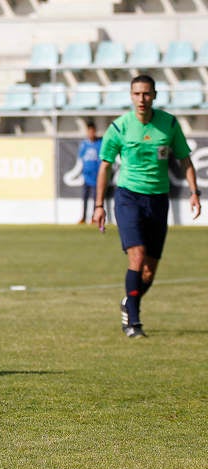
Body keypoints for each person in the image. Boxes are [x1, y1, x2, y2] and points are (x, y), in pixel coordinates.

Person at [93, 74, 201, 338]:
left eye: (147, 94)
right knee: (137, 256)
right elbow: (105, 166)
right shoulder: (119, 127)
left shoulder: (169, 124)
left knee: (150, 270)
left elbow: (185, 160)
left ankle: (129, 303)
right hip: (129, 197)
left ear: (154, 95)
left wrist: (194, 192)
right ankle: (134, 324)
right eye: (137, 94)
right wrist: (99, 205)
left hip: (158, 200)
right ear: (131, 96)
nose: (142, 99)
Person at [78, 120, 103, 224]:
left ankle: (94, 218)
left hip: (97, 176)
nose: (91, 134)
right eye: (89, 131)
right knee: (85, 198)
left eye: (92, 131)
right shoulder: (84, 144)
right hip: (86, 176)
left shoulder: (100, 143)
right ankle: (83, 217)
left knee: (95, 198)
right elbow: (81, 158)